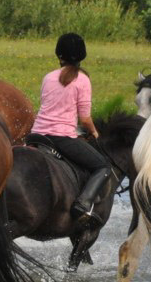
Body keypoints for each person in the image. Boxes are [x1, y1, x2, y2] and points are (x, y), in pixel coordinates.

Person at [30, 33, 111, 228]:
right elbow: (84, 118)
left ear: (59, 55)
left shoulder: (48, 77)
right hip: (61, 138)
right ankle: (82, 204)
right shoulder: (83, 80)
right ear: (82, 56)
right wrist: (94, 132)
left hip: (36, 135)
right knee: (103, 167)